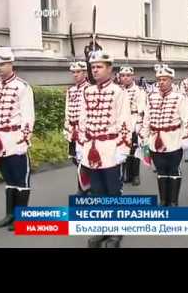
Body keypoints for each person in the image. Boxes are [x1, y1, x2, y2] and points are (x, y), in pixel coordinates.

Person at [77, 49, 132, 248]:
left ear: (110, 69)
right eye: (93, 67)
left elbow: (125, 122)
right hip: (92, 147)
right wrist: (81, 144)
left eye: (99, 67)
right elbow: (82, 120)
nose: (95, 71)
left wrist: (123, 148)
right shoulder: (87, 91)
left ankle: (116, 229)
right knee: (97, 191)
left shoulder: (119, 92)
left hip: (110, 147)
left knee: (113, 190)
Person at [0, 47, 35, 231]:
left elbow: (28, 116)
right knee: (9, 179)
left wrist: (24, 139)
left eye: (2, 64)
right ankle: (10, 215)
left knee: (20, 179)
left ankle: (21, 217)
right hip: (0, 139)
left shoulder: (22, 86)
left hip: (15, 138)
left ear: (11, 64)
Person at [139, 64, 188, 206]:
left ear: (171, 80)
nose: (161, 82)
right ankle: (163, 200)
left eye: (165, 79)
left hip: (173, 140)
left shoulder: (179, 98)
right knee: (161, 170)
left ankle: (174, 201)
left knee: (173, 169)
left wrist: (186, 138)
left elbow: (187, 119)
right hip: (155, 140)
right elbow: (147, 119)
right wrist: (143, 136)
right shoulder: (151, 97)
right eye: (159, 79)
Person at [64, 61, 91, 195]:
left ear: (85, 73)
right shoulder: (71, 90)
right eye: (73, 72)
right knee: (76, 159)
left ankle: (84, 188)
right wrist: (67, 127)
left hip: (84, 132)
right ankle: (85, 185)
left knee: (85, 159)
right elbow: (67, 110)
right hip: (73, 131)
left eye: (78, 72)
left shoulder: (90, 89)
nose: (75, 75)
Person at [119, 66, 147, 186]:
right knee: (124, 149)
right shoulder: (118, 90)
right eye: (123, 75)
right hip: (122, 123)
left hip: (134, 121)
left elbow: (141, 110)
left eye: (128, 75)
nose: (125, 78)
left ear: (133, 77)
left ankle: (135, 175)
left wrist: (139, 125)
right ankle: (127, 174)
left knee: (135, 150)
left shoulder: (139, 91)